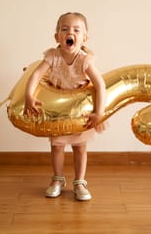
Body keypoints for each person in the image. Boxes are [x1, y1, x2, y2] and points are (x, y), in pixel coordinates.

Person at [24, 12, 107, 201]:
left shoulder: (84, 60)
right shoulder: (52, 56)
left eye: (76, 30)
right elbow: (35, 76)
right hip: (59, 112)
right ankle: (58, 179)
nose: (70, 32)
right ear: (57, 37)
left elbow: (101, 85)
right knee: (57, 147)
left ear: (84, 38)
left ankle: (79, 182)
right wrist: (29, 96)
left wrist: (98, 113)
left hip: (79, 112)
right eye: (65, 29)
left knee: (80, 147)